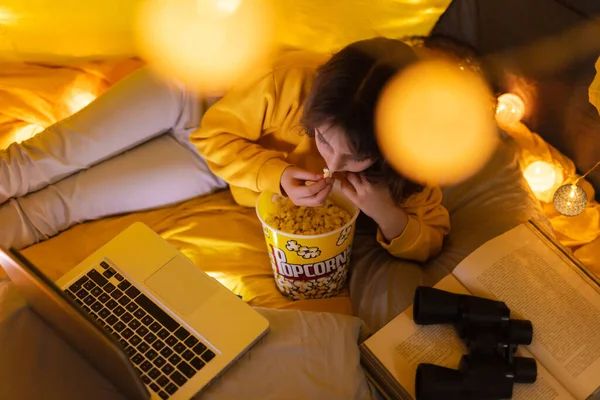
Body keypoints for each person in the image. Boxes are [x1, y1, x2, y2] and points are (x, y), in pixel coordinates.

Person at [0, 35, 486, 261]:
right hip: (189, 98)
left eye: (354, 158)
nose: (331, 167)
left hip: (211, 165)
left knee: (66, 206)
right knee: (38, 161)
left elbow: (431, 236)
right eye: (320, 140)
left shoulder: (412, 157)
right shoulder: (291, 83)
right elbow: (213, 132)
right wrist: (275, 175)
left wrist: (386, 214)